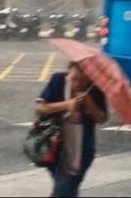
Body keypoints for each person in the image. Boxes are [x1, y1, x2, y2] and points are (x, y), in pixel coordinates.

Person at [36, 62, 108, 197]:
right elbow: (40, 108)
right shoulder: (58, 80)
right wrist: (66, 105)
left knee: (65, 187)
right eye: (74, 79)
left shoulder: (95, 89)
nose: (77, 83)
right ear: (68, 73)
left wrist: (88, 101)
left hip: (81, 151)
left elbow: (102, 118)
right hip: (55, 147)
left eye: (83, 80)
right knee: (66, 188)